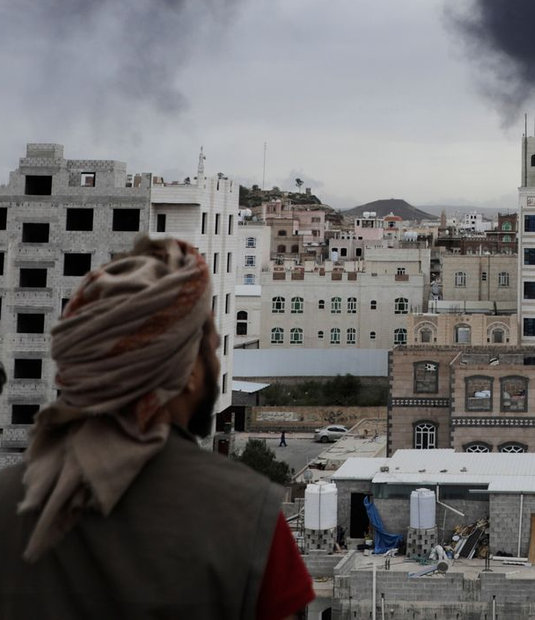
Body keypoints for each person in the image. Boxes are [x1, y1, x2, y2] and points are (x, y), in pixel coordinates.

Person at [0, 237, 314, 619]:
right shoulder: (249, 517)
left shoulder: (9, 500)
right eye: (211, 350)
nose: (215, 365)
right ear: (186, 372)